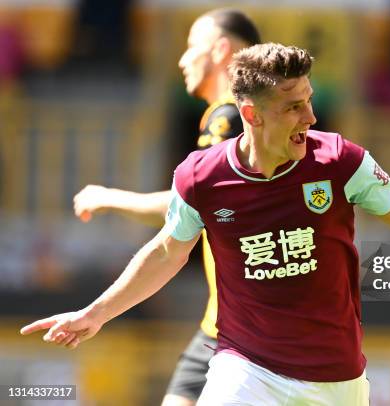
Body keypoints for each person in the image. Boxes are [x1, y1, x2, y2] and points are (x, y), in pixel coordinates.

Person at [21, 43, 390, 405]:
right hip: (245, 368)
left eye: (310, 100)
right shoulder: (200, 177)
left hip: (337, 381)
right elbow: (167, 251)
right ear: (250, 114)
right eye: (293, 106)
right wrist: (94, 312)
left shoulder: (341, 162)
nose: (310, 116)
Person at [71, 9, 260, 406]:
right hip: (217, 325)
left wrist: (110, 197)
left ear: (221, 49)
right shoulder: (229, 117)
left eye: (192, 46)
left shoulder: (231, 118)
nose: (182, 59)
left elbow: (189, 203)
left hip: (251, 332)